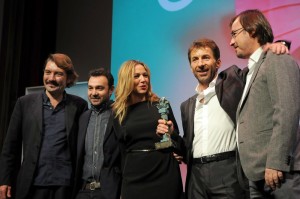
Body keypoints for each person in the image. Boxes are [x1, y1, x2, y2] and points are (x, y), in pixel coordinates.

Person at [180, 37, 290, 199]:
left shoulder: (233, 83)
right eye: (195, 59)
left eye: (206, 57)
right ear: (191, 67)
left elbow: (255, 68)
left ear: (218, 63)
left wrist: (277, 45)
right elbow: (189, 143)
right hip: (196, 177)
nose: (200, 63)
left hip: (228, 170)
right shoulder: (187, 105)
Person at [230, 9, 300, 198]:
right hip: (257, 175)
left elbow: (287, 111)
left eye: (234, 34)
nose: (231, 41)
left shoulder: (277, 58)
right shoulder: (249, 71)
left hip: (280, 172)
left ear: (252, 30)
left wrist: (276, 162)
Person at [0, 53, 88, 199]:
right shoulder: (24, 103)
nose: (51, 78)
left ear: (69, 78)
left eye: (58, 74)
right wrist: (4, 180)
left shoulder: (79, 105)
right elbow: (10, 146)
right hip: (32, 184)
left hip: (65, 186)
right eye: (48, 72)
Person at [112, 60, 184, 199]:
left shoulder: (162, 105)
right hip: (133, 177)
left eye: (145, 75)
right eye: (137, 76)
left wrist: (172, 136)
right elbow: (120, 150)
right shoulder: (118, 111)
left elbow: (176, 141)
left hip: (164, 173)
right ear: (126, 79)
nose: (143, 80)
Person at [73, 68, 121, 199]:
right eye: (90, 88)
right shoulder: (82, 117)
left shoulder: (119, 115)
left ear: (111, 90)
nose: (93, 93)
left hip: (109, 192)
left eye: (99, 88)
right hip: (83, 191)